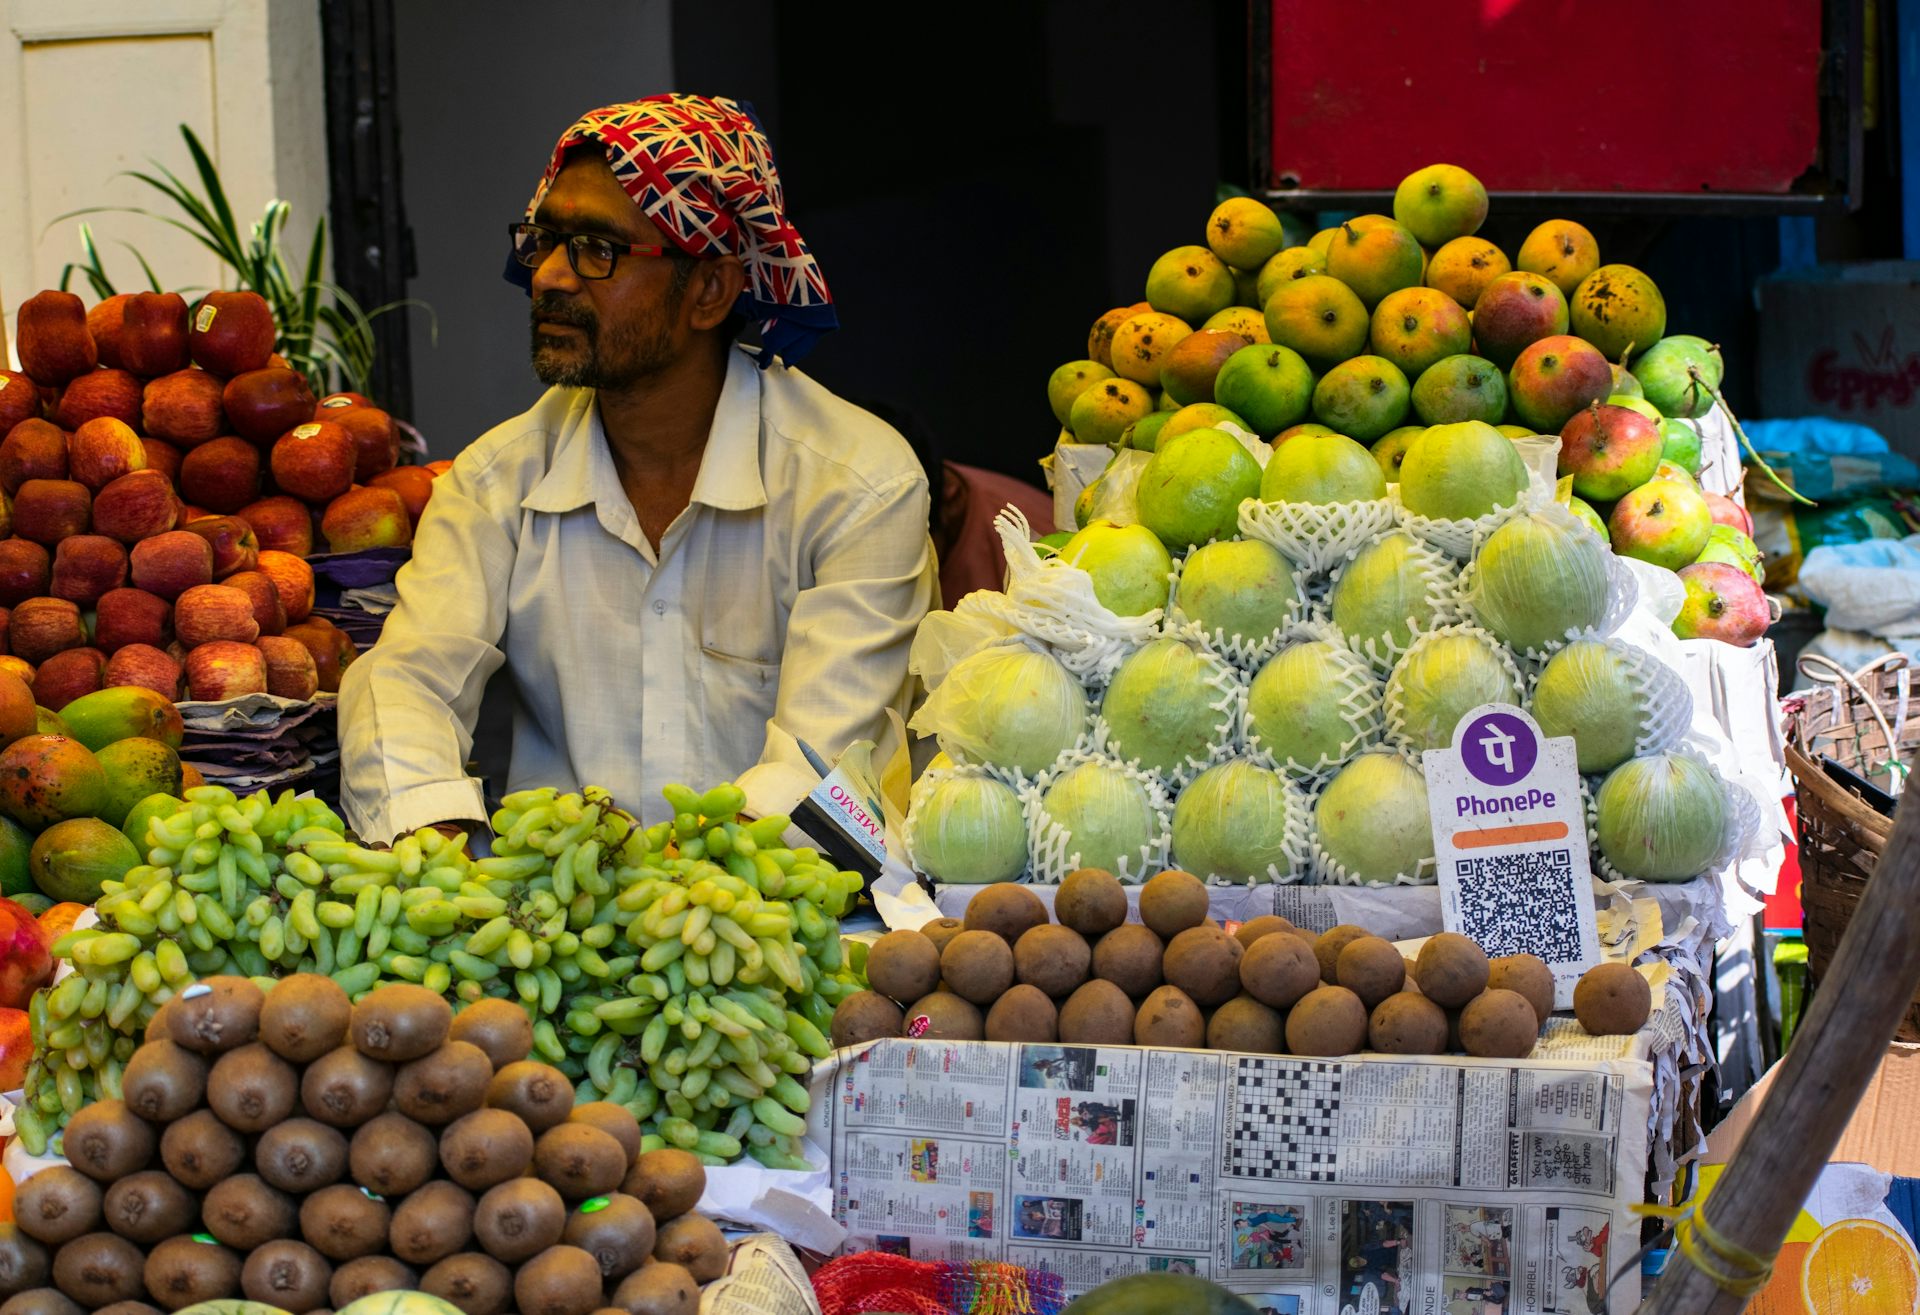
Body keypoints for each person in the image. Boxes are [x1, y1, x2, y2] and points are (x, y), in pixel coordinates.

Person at [340, 94, 936, 841]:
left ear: (711, 290)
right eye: (545, 241)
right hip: (555, 927)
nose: (551, 277)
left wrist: (673, 912)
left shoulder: (857, 484)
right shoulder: (497, 482)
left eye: (598, 248)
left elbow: (824, 766)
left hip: (787, 931)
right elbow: (405, 682)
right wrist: (436, 844)